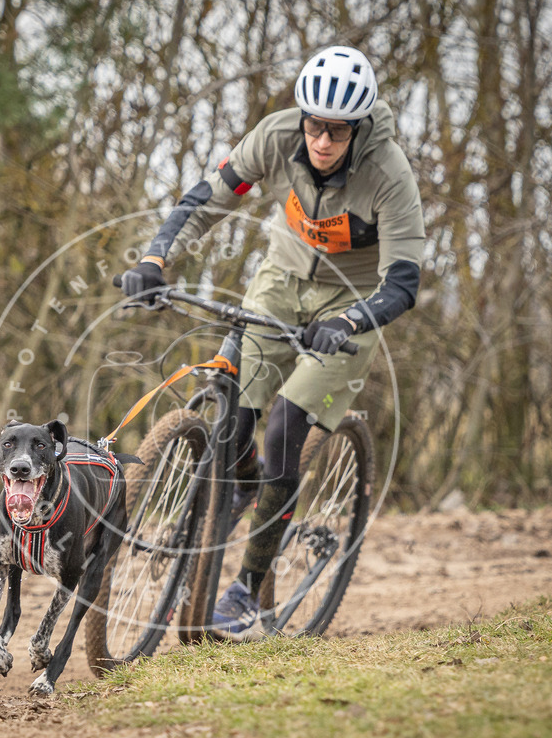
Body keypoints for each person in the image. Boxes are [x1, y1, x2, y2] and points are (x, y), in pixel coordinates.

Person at [120, 45, 425, 639]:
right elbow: (207, 198)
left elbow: (403, 282)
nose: (323, 141)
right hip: (281, 282)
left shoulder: (390, 175)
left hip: (350, 305)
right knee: (234, 401)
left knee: (286, 423)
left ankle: (246, 592)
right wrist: (155, 259)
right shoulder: (276, 136)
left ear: (359, 127)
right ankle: (245, 487)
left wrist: (351, 322)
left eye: (338, 131)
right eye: (315, 126)